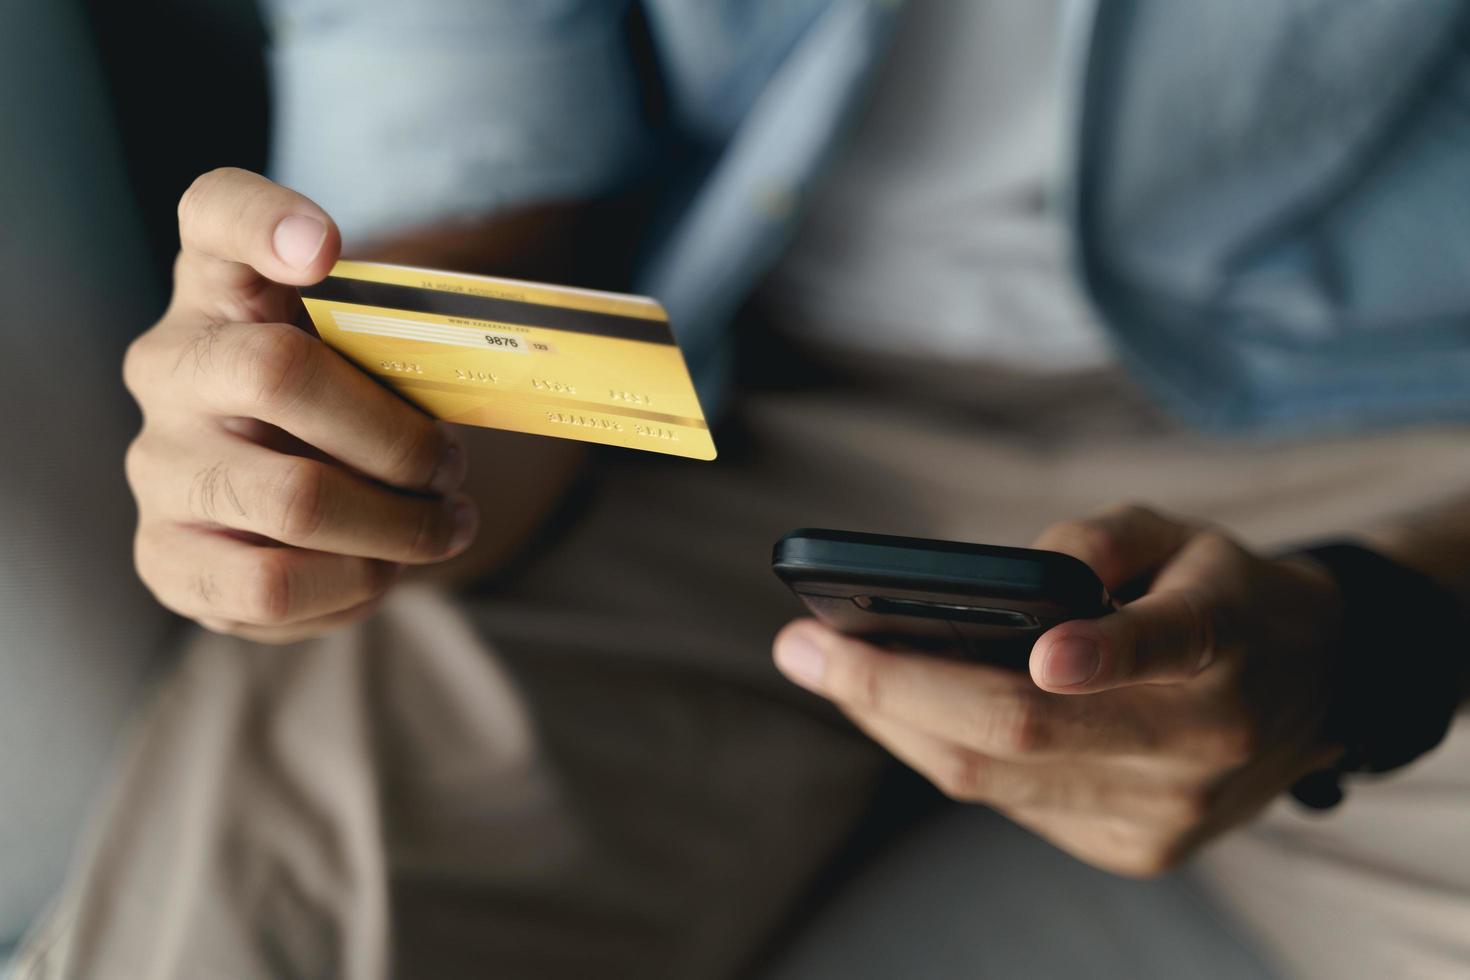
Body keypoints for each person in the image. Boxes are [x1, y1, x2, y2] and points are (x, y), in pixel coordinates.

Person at [14, 2, 1470, 978]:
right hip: (720, 405)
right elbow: (457, 142)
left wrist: (1392, 639)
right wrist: (337, 453)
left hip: (1410, 431)